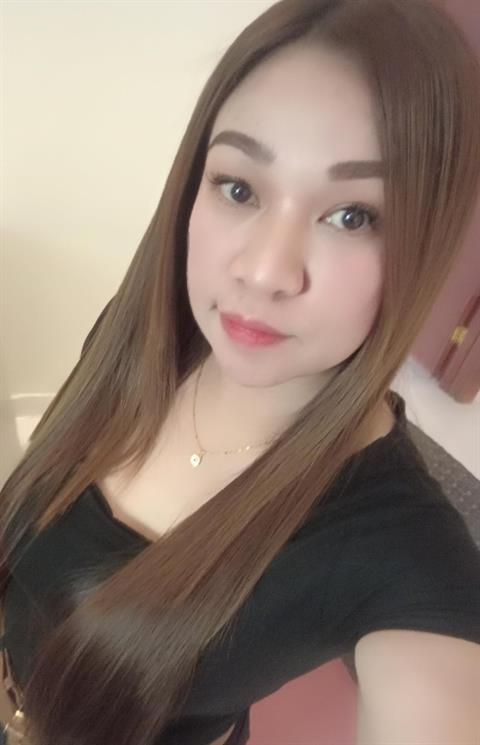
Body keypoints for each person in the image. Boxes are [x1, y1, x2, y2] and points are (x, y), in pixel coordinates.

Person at [1, 1, 480, 744]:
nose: (263, 271)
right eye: (239, 187)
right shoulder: (136, 338)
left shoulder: (407, 555)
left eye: (353, 215)